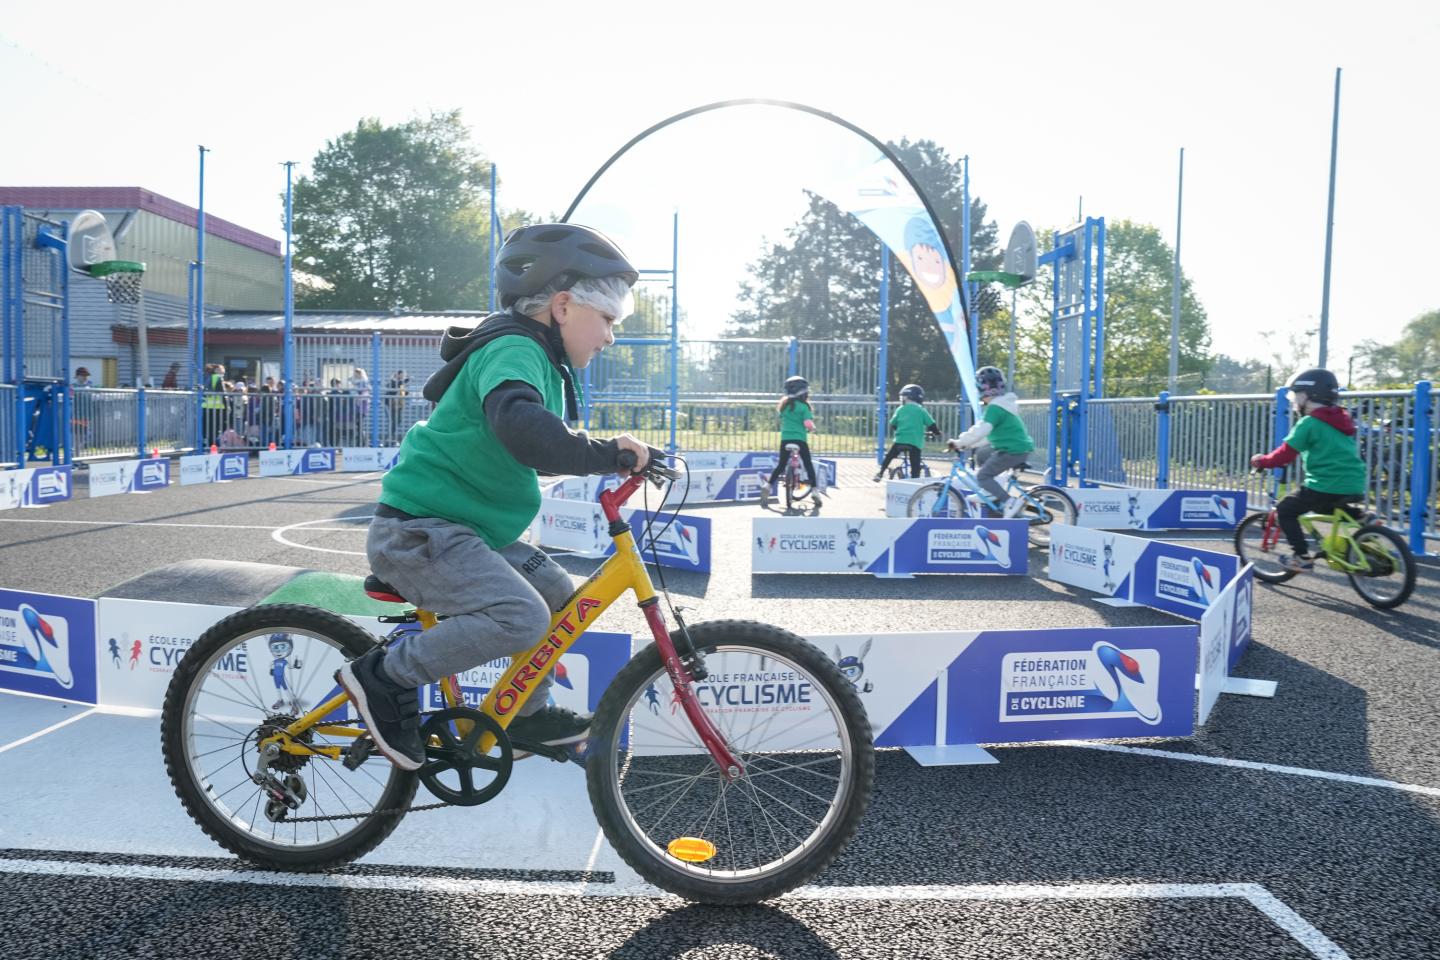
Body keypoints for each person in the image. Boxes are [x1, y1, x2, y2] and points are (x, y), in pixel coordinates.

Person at [338, 222, 652, 771]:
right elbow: (521, 427)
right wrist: (606, 453)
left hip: (466, 530)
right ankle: (384, 678)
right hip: (420, 530)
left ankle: (525, 714)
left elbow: (534, 442)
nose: (610, 337)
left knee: (557, 594)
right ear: (562, 306)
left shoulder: (535, 356)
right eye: (607, 319)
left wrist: (611, 454)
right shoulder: (514, 347)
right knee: (520, 616)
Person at [1249, 368, 1367, 572]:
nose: (1295, 402)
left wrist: (1262, 461)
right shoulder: (1341, 419)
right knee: (1323, 506)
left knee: (1286, 510)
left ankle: (1301, 557)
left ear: (1308, 396)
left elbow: (1285, 454)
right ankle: (1362, 517)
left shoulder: (1309, 423)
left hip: (1326, 483)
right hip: (1354, 481)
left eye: (1296, 396)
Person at [946, 366, 1035, 516]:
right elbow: (987, 437)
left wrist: (959, 442)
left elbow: (980, 430)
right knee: (983, 455)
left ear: (983, 390)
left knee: (983, 476)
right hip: (1015, 448)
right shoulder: (1002, 405)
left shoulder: (995, 408)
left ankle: (1010, 502)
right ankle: (989, 491)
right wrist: (967, 445)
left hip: (1013, 451)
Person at [762, 376, 821, 504]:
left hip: (785, 439)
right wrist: (813, 429)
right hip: (800, 439)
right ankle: (815, 491)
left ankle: (768, 485)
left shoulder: (784, 406)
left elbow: (782, 418)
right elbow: (807, 423)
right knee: (808, 464)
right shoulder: (804, 407)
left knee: (781, 464)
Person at [873, 383, 940, 480]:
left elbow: (893, 423)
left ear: (907, 397)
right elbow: (931, 424)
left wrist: (899, 430)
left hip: (900, 441)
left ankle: (880, 473)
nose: (902, 399)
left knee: (889, 456)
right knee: (915, 464)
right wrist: (937, 433)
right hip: (915, 442)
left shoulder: (900, 409)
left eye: (903, 397)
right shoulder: (921, 410)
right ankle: (914, 480)